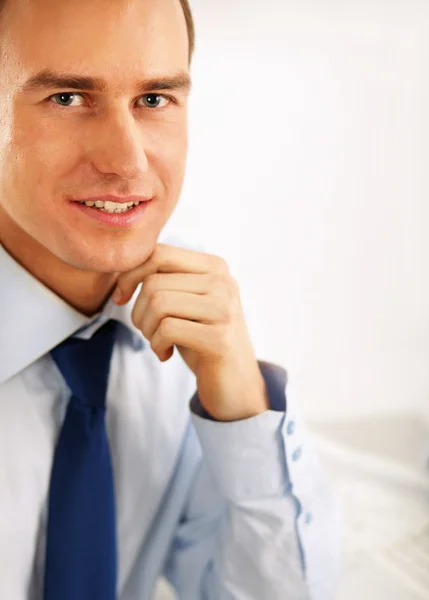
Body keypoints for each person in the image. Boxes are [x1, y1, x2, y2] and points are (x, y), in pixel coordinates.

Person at [0, 0, 340, 598]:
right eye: (68, 98)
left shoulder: (190, 332)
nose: (126, 161)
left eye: (154, 99)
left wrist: (242, 406)